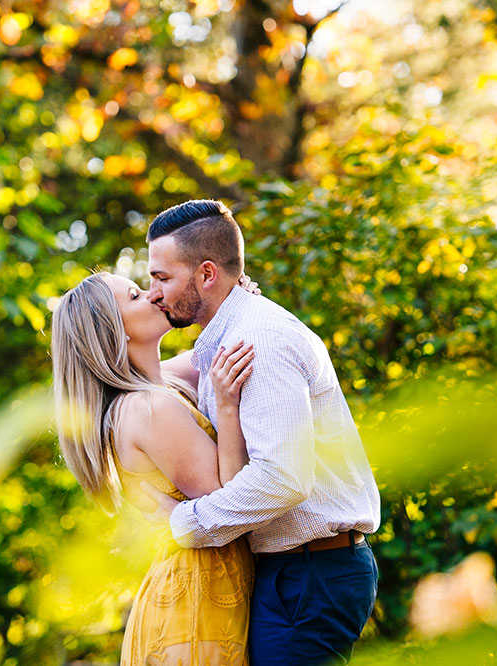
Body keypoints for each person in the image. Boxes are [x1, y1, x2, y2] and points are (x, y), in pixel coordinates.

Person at [143, 199, 382, 666]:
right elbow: (151, 378)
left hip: (309, 574)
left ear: (207, 274)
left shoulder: (259, 341)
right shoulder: (224, 336)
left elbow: (283, 478)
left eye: (162, 278)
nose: (153, 292)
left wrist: (181, 524)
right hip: (295, 571)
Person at [51, 270, 262, 665]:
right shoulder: (149, 408)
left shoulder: (158, 387)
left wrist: (230, 297)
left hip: (201, 592)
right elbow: (231, 497)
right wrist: (227, 407)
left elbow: (211, 352)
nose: (152, 295)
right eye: (134, 295)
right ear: (116, 333)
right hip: (195, 606)